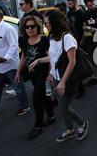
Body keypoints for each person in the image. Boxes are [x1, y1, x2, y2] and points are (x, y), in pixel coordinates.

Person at [34, 10, 89, 142]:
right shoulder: (52, 38)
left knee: (62, 107)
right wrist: (39, 61)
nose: (44, 26)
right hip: (57, 77)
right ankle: (70, 130)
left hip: (68, 78)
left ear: (54, 22)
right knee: (62, 106)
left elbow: (72, 61)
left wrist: (63, 81)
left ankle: (82, 123)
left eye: (46, 23)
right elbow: (54, 58)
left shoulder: (67, 38)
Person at [16, 16, 55, 139]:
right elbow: (23, 56)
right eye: (27, 27)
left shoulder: (44, 40)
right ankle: (52, 116)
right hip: (32, 74)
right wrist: (18, 72)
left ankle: (37, 126)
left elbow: (51, 58)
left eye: (32, 26)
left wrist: (50, 74)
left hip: (43, 74)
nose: (30, 29)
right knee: (44, 96)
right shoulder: (24, 40)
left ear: (37, 26)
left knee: (36, 98)